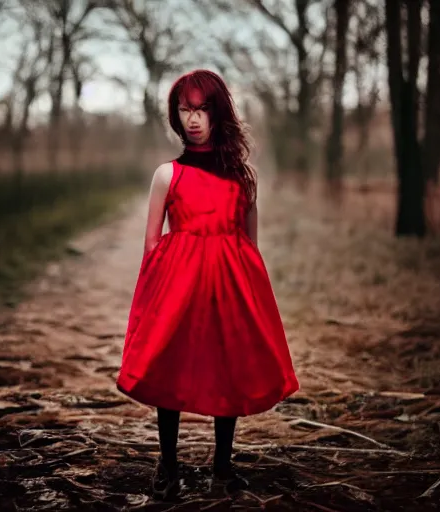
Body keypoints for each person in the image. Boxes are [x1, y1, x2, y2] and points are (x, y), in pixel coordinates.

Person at [116, 69, 299, 500]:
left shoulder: (243, 177)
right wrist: (156, 300)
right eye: (185, 110)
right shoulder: (167, 175)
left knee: (228, 367)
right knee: (171, 365)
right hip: (178, 286)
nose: (193, 119)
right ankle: (168, 464)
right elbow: (151, 244)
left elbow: (250, 246)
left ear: (218, 113)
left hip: (229, 285)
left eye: (202, 109)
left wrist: (249, 296)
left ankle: (222, 466)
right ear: (175, 115)